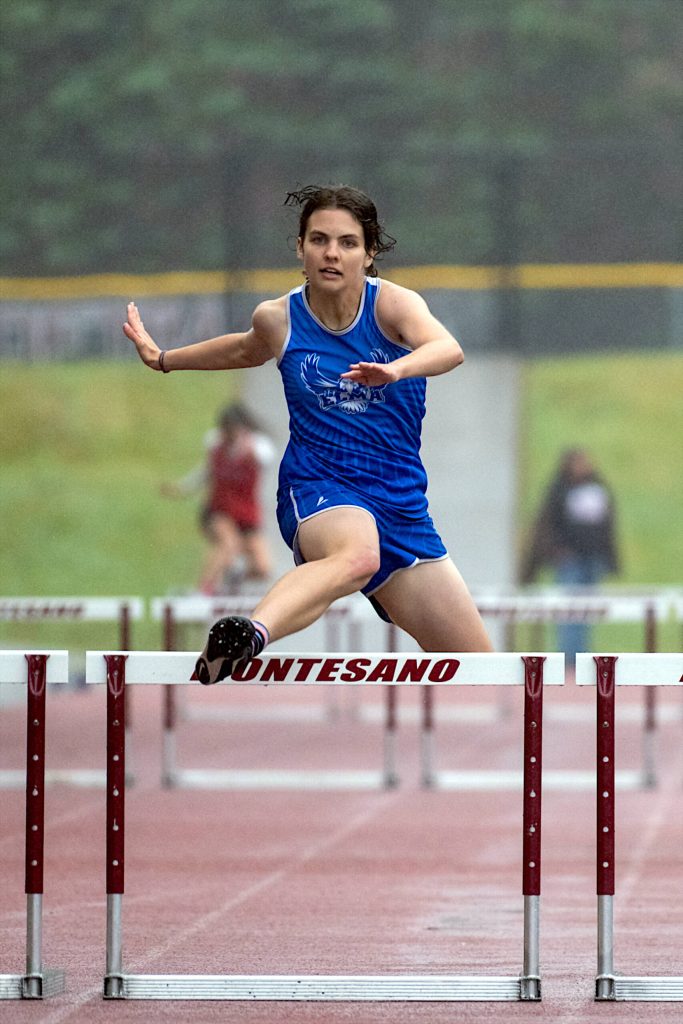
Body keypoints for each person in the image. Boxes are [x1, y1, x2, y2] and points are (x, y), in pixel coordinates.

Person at [124, 184, 492, 684]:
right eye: (319, 240)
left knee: (484, 669)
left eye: (347, 243)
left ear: (369, 253)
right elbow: (243, 349)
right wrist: (163, 358)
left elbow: (448, 349)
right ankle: (247, 636)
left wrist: (396, 370)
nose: (331, 253)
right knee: (358, 555)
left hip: (400, 504)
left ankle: (260, 628)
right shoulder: (278, 319)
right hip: (321, 486)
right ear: (301, 248)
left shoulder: (393, 307)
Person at [161, 403, 274, 594]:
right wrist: (181, 489)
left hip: (246, 515)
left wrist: (247, 450)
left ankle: (233, 578)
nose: (227, 436)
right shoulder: (215, 445)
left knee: (263, 567)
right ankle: (202, 590)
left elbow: (266, 458)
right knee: (228, 544)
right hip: (218, 510)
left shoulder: (257, 447)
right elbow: (206, 472)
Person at [521, 447, 620, 664]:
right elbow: (546, 526)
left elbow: (608, 528)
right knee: (568, 613)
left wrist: (609, 559)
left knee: (587, 614)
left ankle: (583, 658)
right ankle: (569, 661)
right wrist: (555, 552)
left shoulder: (598, 489)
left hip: (592, 560)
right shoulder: (558, 491)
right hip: (569, 562)